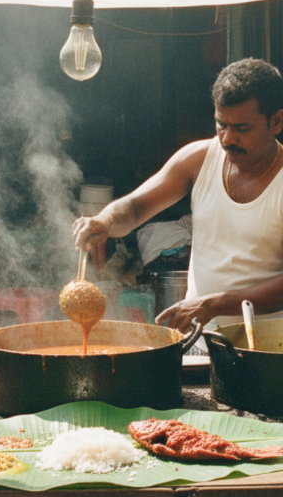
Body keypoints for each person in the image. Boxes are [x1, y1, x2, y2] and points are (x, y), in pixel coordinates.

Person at [73, 57, 283, 334]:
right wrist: (105, 220)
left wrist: (215, 304)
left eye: (242, 128)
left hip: (270, 347)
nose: (228, 139)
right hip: (201, 339)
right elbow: (136, 208)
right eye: (221, 124)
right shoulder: (198, 158)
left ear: (277, 121)